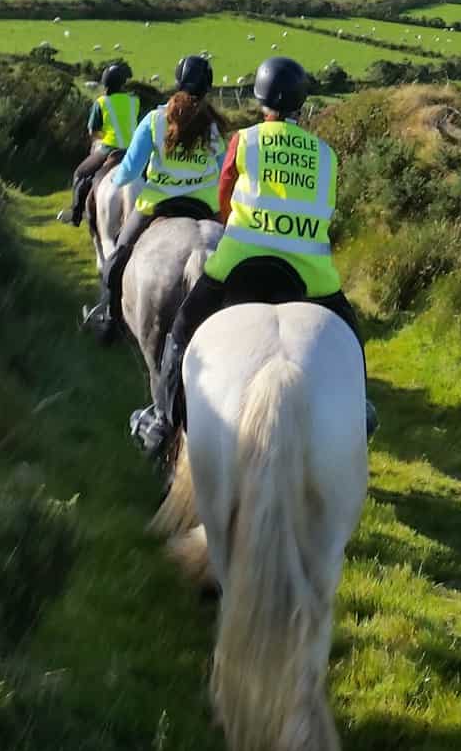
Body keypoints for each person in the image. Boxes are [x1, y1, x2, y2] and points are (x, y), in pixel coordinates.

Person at [129, 55, 375, 455]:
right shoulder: (326, 155)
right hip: (309, 272)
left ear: (261, 101)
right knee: (351, 336)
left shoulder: (243, 140)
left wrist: (243, 225)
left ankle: (161, 419)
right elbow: (325, 207)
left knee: (180, 330)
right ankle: (361, 410)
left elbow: (224, 197)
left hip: (240, 262)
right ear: (300, 104)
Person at [81, 54, 223, 342]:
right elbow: (221, 171)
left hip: (157, 204)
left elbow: (131, 168)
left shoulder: (156, 119)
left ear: (177, 82)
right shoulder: (214, 125)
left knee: (117, 260)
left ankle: (109, 319)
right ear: (208, 87)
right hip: (206, 207)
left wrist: (117, 181)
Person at [58, 61, 141, 227]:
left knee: (80, 174)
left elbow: (93, 131)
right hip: (133, 151)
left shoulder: (102, 102)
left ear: (105, 84)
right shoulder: (134, 101)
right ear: (123, 83)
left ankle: (76, 215)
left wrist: (104, 137)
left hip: (109, 148)